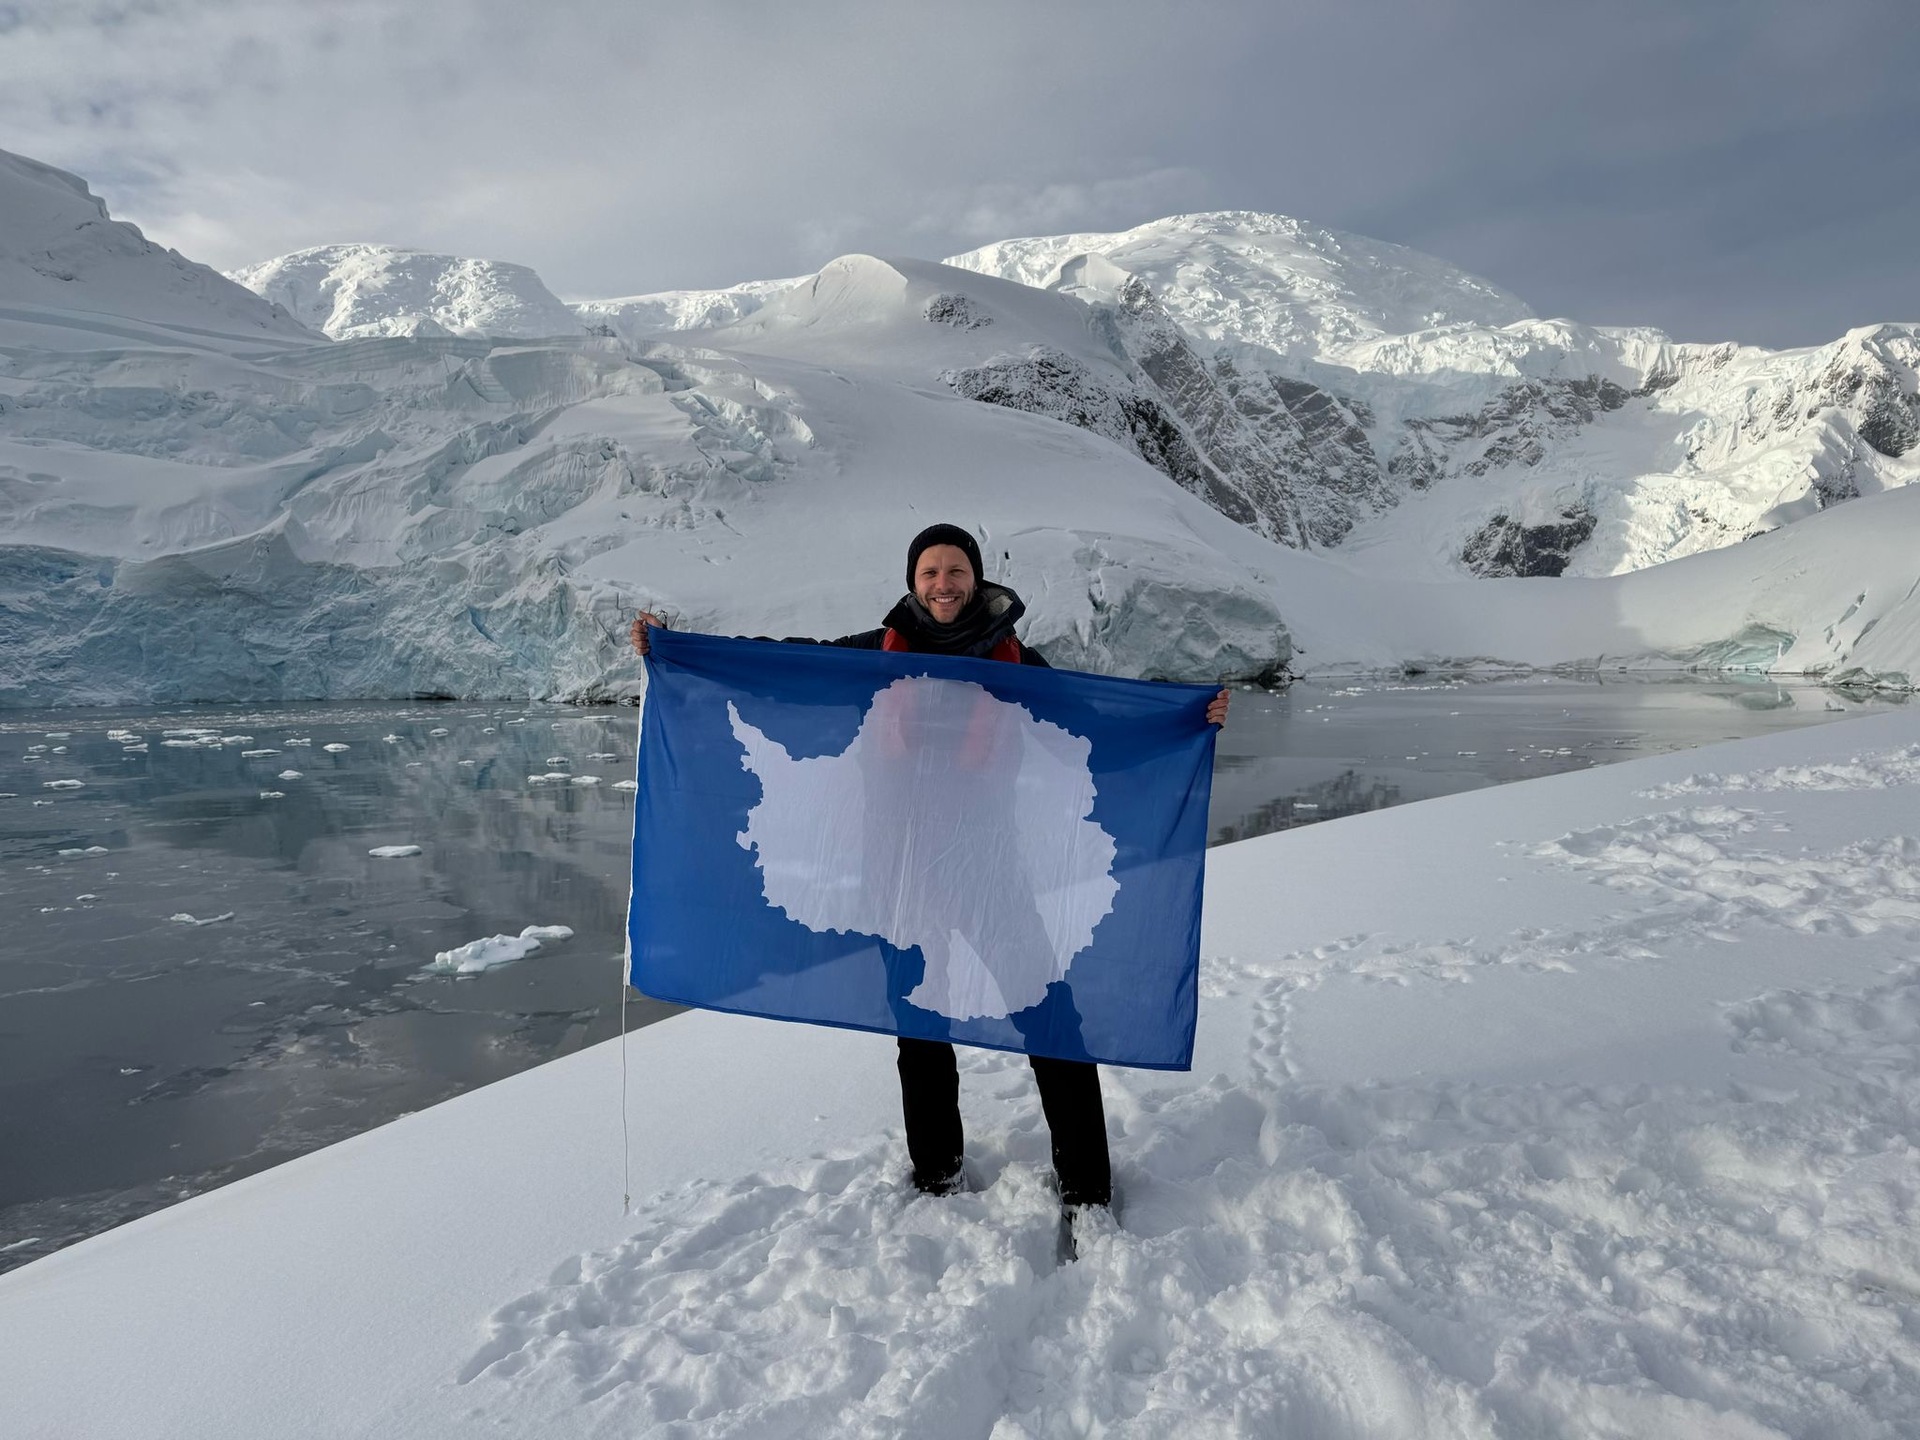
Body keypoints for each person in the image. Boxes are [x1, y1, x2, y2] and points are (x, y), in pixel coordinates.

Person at [632, 523, 1229, 1234]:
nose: (943, 584)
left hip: (989, 867)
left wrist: (1187, 721)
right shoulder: (872, 657)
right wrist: (679, 650)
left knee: (1050, 1016)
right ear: (911, 582)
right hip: (902, 872)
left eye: (955, 570)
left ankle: (1087, 1184)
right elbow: (788, 664)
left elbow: (1094, 731)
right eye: (929, 572)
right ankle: (937, 1173)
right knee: (919, 1029)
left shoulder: (1017, 663)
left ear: (976, 578)